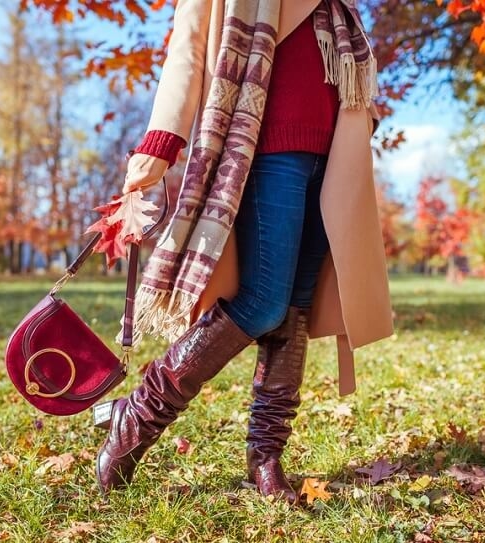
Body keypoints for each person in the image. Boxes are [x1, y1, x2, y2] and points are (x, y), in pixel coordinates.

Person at [96, 0, 393, 504]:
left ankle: (267, 458)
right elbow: (188, 49)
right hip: (263, 144)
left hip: (335, 149)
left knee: (294, 309)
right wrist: (161, 140)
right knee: (263, 303)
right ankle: (139, 415)